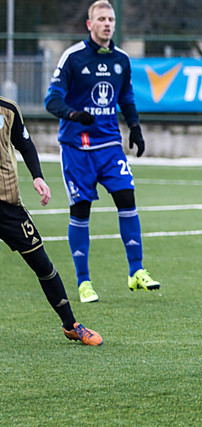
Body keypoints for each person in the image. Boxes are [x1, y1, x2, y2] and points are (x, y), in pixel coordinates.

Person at [44, 0, 159, 303]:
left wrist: (134, 127)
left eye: (111, 19)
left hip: (109, 145)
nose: (108, 24)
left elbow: (126, 97)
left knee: (127, 197)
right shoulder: (72, 57)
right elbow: (51, 100)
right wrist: (72, 114)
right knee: (81, 211)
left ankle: (137, 271)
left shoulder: (122, 59)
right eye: (102, 19)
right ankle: (84, 282)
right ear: (89, 24)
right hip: (77, 147)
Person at [0, 96, 102, 345]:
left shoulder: (9, 109)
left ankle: (71, 325)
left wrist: (37, 177)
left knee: (42, 264)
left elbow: (25, 144)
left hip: (8, 206)